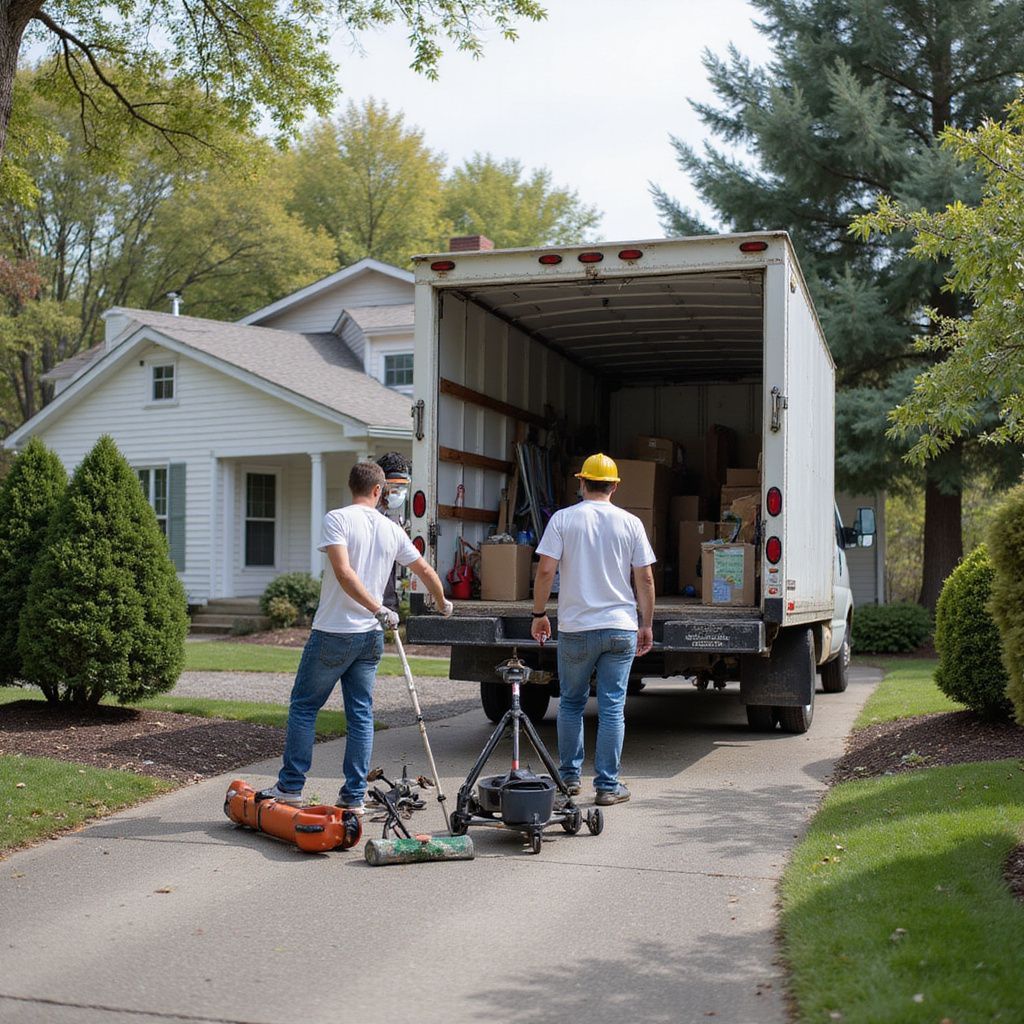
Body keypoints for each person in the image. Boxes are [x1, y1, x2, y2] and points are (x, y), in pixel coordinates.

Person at [258, 461, 451, 812]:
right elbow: (423, 569)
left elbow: (344, 573)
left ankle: (290, 787)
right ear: (379, 491)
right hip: (369, 637)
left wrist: (377, 608)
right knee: (360, 714)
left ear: (353, 487)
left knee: (304, 706)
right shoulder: (391, 528)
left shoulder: (338, 519)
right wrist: (442, 602)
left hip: (334, 632)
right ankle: (352, 796)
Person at [530, 453, 656, 806]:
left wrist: (540, 613)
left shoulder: (563, 520)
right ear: (615, 486)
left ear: (581, 482)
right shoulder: (631, 523)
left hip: (576, 629)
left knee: (570, 703)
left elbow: (544, 572)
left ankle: (569, 779)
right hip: (620, 628)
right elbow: (644, 577)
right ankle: (607, 786)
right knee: (613, 707)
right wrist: (645, 623)